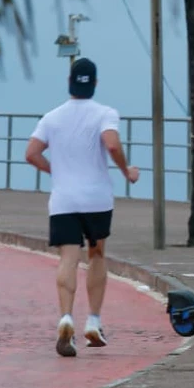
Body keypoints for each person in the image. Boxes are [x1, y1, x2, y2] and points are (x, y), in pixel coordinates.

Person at [25, 57, 139, 357]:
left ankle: (65, 318)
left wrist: (56, 171)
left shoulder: (52, 117)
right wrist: (126, 170)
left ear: (69, 82)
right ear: (95, 83)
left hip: (64, 200)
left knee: (68, 258)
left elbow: (32, 153)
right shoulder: (105, 113)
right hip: (96, 199)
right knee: (97, 255)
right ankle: (93, 321)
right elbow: (112, 144)